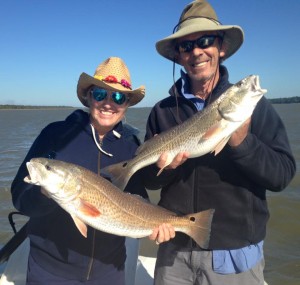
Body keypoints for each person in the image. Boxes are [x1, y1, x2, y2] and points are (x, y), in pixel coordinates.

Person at [145, 1, 296, 285]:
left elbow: (282, 175)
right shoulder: (162, 111)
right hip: (174, 248)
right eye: (186, 46)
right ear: (178, 56)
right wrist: (167, 168)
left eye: (205, 41)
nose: (196, 51)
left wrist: (242, 142)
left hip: (234, 254)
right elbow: (151, 183)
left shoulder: (254, 106)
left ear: (221, 47)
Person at [11, 57, 148, 285]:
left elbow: (138, 199)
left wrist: (155, 225)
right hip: (51, 271)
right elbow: (19, 199)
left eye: (118, 97)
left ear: (126, 105)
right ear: (88, 96)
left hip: (109, 271)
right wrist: (44, 194)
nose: (108, 103)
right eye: (100, 94)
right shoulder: (55, 135)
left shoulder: (132, 146)